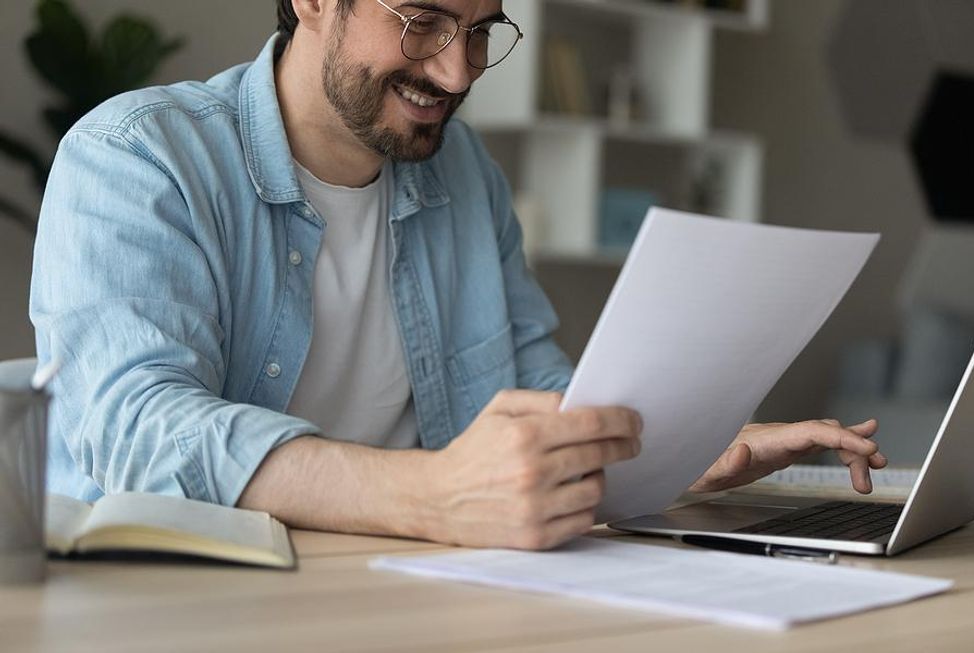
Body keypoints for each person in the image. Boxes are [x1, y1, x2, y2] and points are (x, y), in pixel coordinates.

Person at [30, 0, 886, 551]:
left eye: (481, 31)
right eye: (424, 22)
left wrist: (684, 444)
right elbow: (138, 430)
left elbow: (531, 382)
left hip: (411, 590)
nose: (457, 71)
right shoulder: (137, 156)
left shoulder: (461, 169)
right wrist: (429, 495)